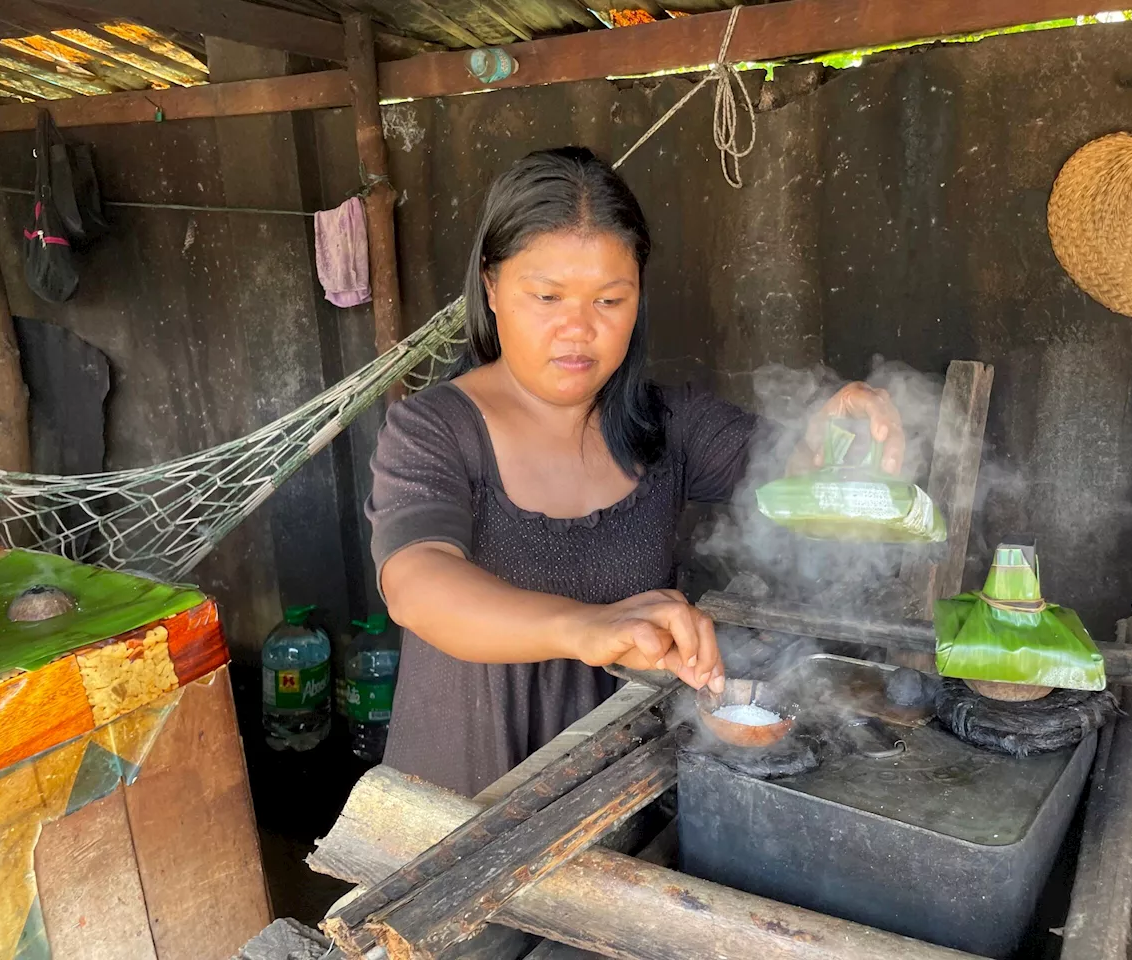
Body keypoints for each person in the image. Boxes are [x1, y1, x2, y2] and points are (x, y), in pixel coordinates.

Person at [367, 147, 905, 796]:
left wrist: (835, 425)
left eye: (610, 299)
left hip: (618, 797)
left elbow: (796, 467)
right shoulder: (434, 430)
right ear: (490, 285)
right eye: (546, 295)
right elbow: (416, 585)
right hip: (461, 802)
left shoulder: (670, 426)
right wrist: (586, 626)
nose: (578, 329)